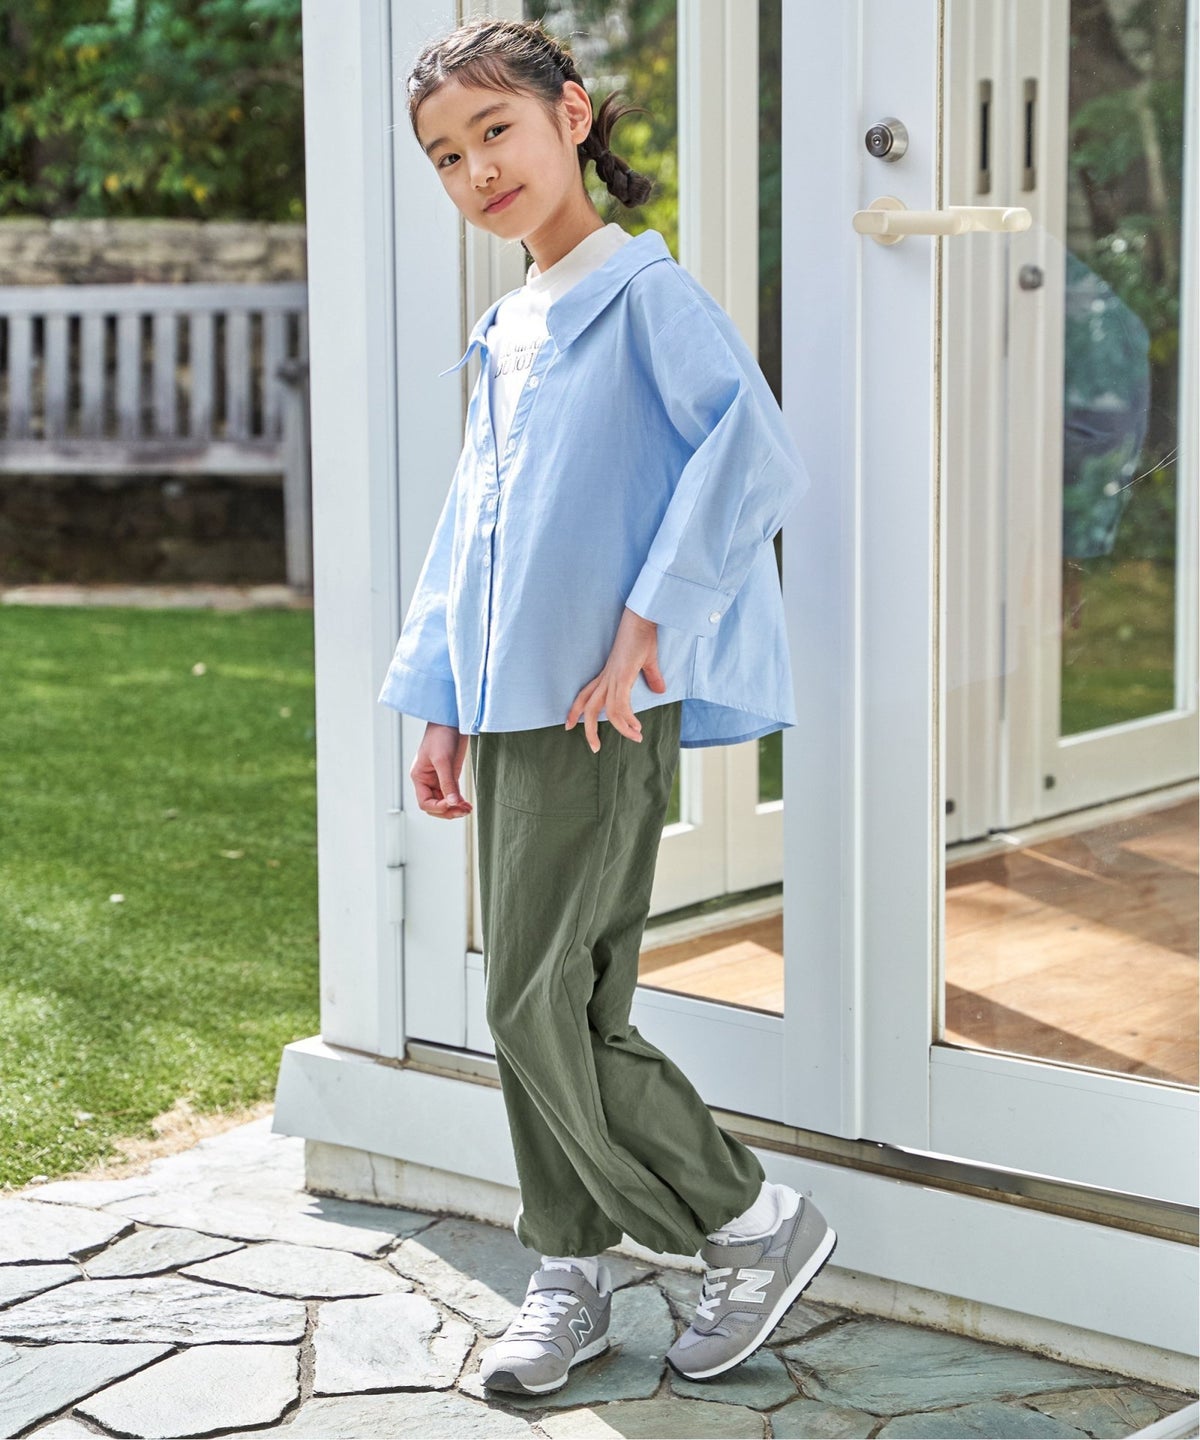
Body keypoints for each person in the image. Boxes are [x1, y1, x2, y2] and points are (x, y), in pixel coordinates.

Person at [378, 14, 837, 1397]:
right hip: (512, 704)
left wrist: (648, 625)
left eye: (496, 131)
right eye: (446, 156)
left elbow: (751, 452)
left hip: (599, 707)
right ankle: (571, 1268)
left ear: (571, 117)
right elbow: (474, 526)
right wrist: (442, 698)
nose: (476, 171)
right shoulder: (512, 322)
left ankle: (747, 1218)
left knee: (535, 999)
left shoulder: (646, 296)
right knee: (557, 999)